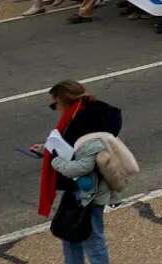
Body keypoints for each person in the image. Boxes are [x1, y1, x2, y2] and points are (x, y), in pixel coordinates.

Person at [37, 80, 123, 264]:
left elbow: (82, 163)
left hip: (87, 190)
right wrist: (47, 149)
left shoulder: (83, 124)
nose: (55, 108)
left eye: (55, 104)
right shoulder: (91, 116)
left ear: (64, 100)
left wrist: (53, 159)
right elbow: (71, 149)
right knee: (70, 234)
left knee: (91, 239)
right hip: (82, 187)